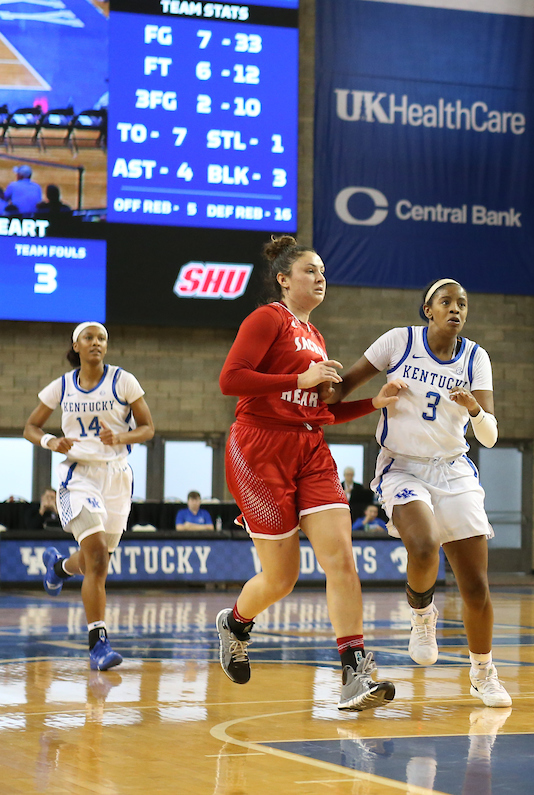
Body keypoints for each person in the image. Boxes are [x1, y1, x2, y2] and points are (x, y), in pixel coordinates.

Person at [215, 235, 398, 712]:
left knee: (341, 557)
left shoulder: (316, 337)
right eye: (310, 271)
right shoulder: (267, 318)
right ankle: (235, 624)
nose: (320, 278)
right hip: (258, 448)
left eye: (322, 271)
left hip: (309, 448)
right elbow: (231, 380)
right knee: (282, 579)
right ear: (283, 279)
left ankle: (354, 671)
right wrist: (300, 379)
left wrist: (371, 403)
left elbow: (320, 412)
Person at [331, 278, 511, 708]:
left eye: (463, 304)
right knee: (425, 544)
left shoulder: (475, 357)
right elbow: (343, 389)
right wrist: (314, 387)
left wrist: (474, 409)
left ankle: (483, 672)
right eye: (446, 302)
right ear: (427, 309)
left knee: (476, 587)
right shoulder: (398, 342)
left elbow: (488, 436)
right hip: (402, 465)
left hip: (453, 469)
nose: (456, 309)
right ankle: (421, 616)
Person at [25, 322, 156, 670]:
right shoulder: (62, 386)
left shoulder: (123, 381)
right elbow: (30, 427)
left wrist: (121, 437)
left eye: (102, 339)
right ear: (77, 345)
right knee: (96, 555)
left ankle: (58, 568)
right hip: (78, 476)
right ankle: (98, 643)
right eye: (89, 338)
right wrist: (51, 441)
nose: (96, 343)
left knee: (94, 561)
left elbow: (148, 428)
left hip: (116, 478)